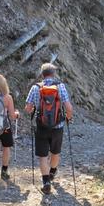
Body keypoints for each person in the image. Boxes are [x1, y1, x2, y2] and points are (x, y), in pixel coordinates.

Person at [25, 63, 73, 194]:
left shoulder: (35, 88)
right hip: (58, 126)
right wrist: (69, 118)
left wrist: (35, 108)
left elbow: (28, 109)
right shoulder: (60, 86)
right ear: (53, 74)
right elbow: (68, 108)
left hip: (41, 127)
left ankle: (46, 181)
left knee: (42, 156)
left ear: (42, 74)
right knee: (55, 152)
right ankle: (52, 171)